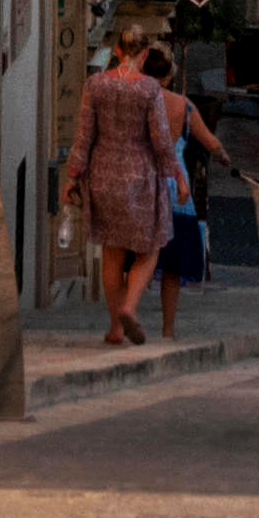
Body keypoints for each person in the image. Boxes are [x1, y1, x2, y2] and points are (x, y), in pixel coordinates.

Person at [63, 43, 183, 344]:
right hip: (141, 178)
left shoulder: (96, 84)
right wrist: (178, 177)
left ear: (117, 50)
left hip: (103, 177)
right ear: (143, 54)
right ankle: (130, 306)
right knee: (149, 249)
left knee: (112, 253)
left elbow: (83, 135)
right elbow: (161, 140)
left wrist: (73, 176)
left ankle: (116, 328)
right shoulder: (148, 90)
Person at [143, 43, 235, 342]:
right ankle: (168, 331)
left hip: (140, 187)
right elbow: (211, 142)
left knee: (134, 259)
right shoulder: (184, 107)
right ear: (169, 76)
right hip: (175, 193)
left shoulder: (136, 102)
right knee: (172, 267)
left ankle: (122, 319)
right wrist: (223, 157)